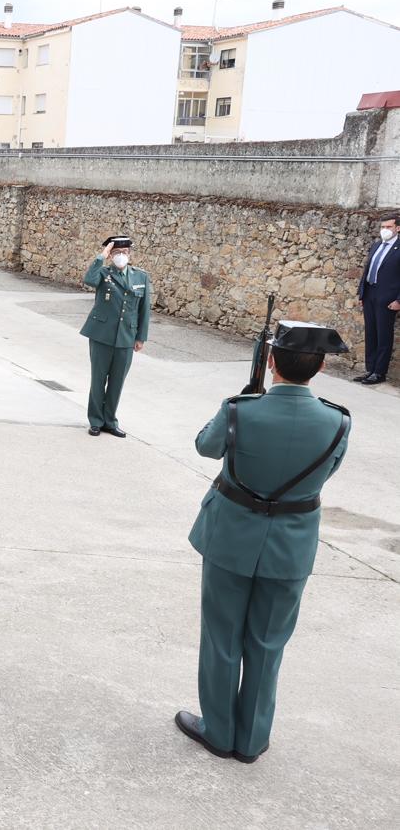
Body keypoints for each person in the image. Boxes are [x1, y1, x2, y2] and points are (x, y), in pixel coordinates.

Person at [176, 321, 351, 764]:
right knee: (268, 643)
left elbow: (204, 446)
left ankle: (218, 730)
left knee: (222, 637)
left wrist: (244, 399)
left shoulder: (240, 410)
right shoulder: (338, 420)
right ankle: (251, 739)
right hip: (291, 545)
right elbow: (324, 475)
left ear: (270, 362)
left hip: (232, 535)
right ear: (321, 366)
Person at [80, 235, 151, 438]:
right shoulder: (102, 272)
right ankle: (95, 420)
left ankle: (110, 421)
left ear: (130, 254)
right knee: (98, 379)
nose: (121, 256)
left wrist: (141, 337)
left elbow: (144, 310)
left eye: (125, 252)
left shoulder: (140, 277)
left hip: (127, 336)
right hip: (101, 335)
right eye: (117, 252)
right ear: (111, 255)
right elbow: (89, 280)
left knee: (117, 381)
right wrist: (101, 256)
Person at [354, 211, 400, 385]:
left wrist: (399, 300)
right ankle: (370, 369)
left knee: (383, 336)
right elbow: (367, 271)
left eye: (388, 227)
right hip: (370, 294)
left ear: (398, 228)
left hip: (388, 299)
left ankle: (379, 373)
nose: (385, 230)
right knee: (371, 334)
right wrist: (362, 293)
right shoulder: (376, 245)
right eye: (382, 227)